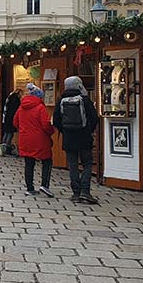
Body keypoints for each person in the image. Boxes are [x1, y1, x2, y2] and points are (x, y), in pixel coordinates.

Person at [54, 76, 100, 204]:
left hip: (69, 139)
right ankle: (85, 191)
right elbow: (94, 117)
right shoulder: (84, 99)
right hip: (84, 137)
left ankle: (76, 193)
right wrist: (88, 130)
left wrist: (65, 131)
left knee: (73, 165)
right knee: (87, 163)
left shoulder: (61, 100)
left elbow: (56, 120)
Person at [14, 83, 55, 197]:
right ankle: (44, 185)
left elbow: (15, 122)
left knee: (29, 163)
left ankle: (30, 188)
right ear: (39, 97)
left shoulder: (21, 107)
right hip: (40, 139)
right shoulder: (40, 108)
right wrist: (51, 131)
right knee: (47, 160)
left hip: (25, 139)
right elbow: (46, 124)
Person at [1, 89, 22, 156]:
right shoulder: (16, 100)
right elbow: (16, 110)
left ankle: (2, 148)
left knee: (6, 133)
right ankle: (7, 148)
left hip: (6, 118)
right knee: (10, 133)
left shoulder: (9, 98)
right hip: (12, 118)